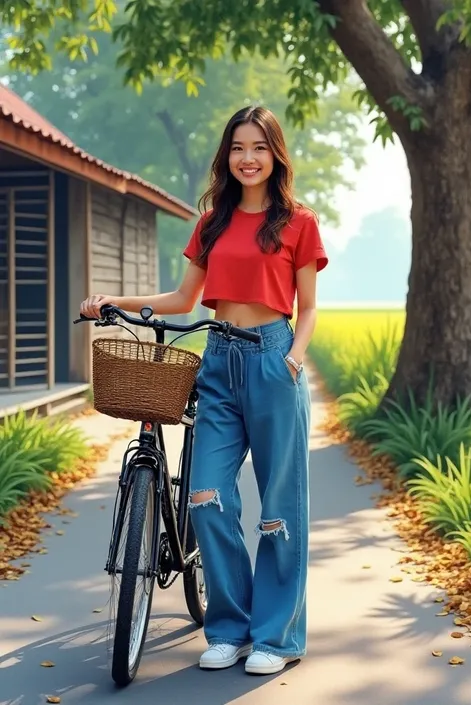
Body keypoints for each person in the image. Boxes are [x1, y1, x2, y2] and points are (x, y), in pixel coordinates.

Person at [80, 105, 328, 676]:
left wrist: (292, 359)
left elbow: (309, 306)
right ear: (227, 155)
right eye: (239, 147)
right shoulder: (212, 222)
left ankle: (276, 637)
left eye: (259, 147)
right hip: (216, 361)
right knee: (207, 497)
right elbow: (182, 301)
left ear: (275, 155)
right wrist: (113, 303)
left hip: (273, 360)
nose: (248, 158)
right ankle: (230, 627)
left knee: (279, 511)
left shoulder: (298, 222)